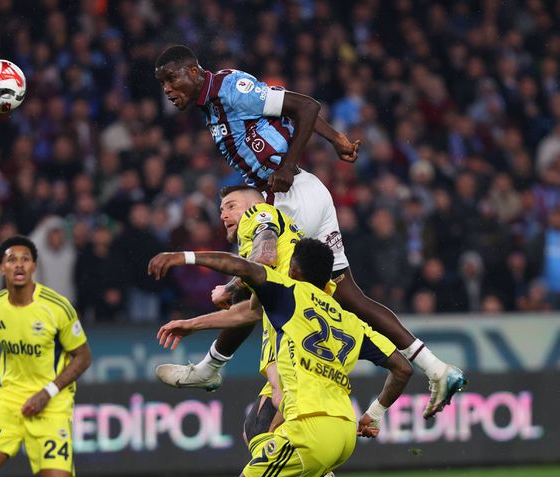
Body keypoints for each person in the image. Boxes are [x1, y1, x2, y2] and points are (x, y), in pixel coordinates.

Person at [153, 44, 466, 418]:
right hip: (308, 192)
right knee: (351, 297)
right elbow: (291, 108)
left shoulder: (230, 89)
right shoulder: (212, 102)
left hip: (291, 198)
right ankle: (435, 367)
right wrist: (336, 140)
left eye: (171, 79)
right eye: (162, 83)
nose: (168, 90)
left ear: (193, 71)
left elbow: (307, 106)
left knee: (261, 293)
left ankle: (212, 369)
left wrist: (286, 166)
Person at [148, 239, 413, 477]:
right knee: (257, 431)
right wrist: (376, 413)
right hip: (344, 430)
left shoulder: (288, 291)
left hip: (309, 430)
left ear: (294, 271)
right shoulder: (351, 322)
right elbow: (403, 368)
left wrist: (182, 256)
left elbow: (240, 266)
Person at [0, 235, 108, 477]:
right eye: (11, 259)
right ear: (1, 268)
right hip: (9, 403)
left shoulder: (56, 307)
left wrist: (46, 393)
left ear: (34, 266)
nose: (19, 265)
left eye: (25, 259)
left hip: (51, 405)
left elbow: (83, 357)